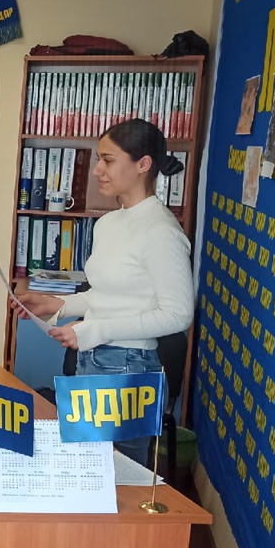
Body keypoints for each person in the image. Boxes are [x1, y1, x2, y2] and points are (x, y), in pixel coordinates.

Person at [12, 118, 193, 466]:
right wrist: (58, 304)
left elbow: (177, 315)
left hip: (129, 368)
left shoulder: (161, 231)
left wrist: (93, 330)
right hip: (93, 359)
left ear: (143, 164)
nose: (97, 170)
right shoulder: (109, 223)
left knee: (118, 477)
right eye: (99, 159)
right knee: (85, 469)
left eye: (108, 160)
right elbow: (109, 295)